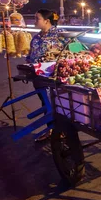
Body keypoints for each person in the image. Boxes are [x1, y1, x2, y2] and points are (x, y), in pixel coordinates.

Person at [26, 9, 69, 141]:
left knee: (59, 104)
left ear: (47, 21)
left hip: (54, 77)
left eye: (37, 18)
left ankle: (62, 131)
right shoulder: (36, 37)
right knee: (45, 103)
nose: (35, 21)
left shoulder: (60, 36)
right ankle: (50, 130)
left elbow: (69, 54)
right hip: (38, 77)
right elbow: (30, 55)